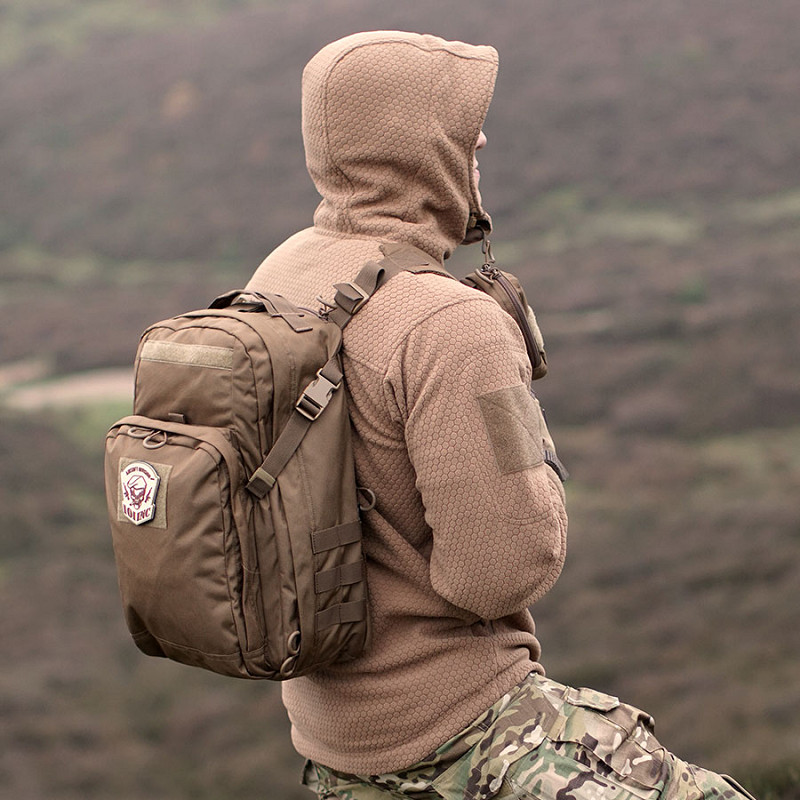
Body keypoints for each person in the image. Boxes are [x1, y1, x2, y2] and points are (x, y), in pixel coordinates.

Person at [247, 30, 756, 800]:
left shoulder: (282, 273)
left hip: (332, 739)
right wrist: (534, 461)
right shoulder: (450, 324)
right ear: (412, 145)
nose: (480, 138)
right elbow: (504, 569)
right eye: (458, 121)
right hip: (460, 727)